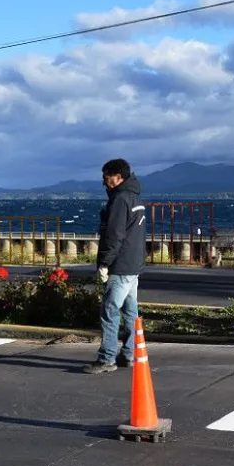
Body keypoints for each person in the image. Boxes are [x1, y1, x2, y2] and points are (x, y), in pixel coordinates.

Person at [85, 158, 146, 374]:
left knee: (110, 311)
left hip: (120, 266)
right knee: (130, 311)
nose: (104, 182)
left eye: (107, 177)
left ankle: (106, 359)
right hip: (133, 265)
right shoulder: (135, 197)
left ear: (118, 177)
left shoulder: (120, 200)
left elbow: (114, 236)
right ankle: (129, 353)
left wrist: (104, 264)